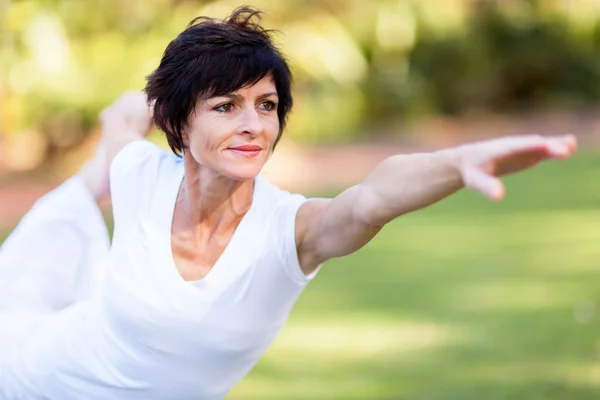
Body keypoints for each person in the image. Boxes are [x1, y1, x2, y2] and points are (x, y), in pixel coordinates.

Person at [0, 6, 577, 400]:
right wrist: (147, 102)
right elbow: (121, 126)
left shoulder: (291, 232)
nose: (254, 125)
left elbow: (371, 198)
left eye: (267, 105)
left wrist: (458, 162)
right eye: (226, 106)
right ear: (178, 120)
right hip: (31, 374)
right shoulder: (139, 173)